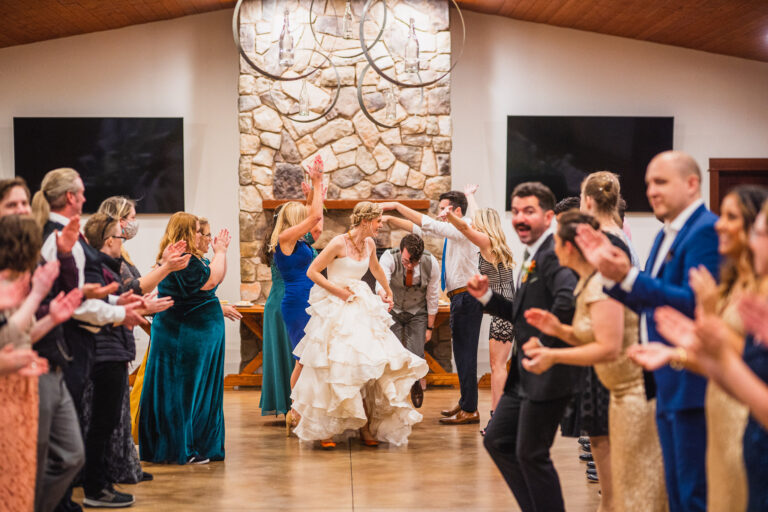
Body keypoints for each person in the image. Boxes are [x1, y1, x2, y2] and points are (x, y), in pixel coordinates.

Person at [575, 150, 720, 512]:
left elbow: (695, 303)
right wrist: (613, 279)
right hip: (662, 379)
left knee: (692, 493)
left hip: (691, 379)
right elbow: (649, 301)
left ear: (692, 184)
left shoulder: (705, 231)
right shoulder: (663, 235)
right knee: (674, 491)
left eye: (661, 182)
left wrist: (628, 277)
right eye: (649, 183)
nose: (652, 191)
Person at [630, 185, 768, 512]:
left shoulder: (761, 290)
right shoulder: (731, 283)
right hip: (720, 400)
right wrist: (676, 353)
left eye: (731, 217)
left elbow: (746, 358)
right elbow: (720, 355)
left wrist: (709, 329)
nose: (720, 225)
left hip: (743, 409)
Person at [523, 210, 668, 512]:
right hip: (618, 393)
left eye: (555, 242)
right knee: (620, 486)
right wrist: (558, 329)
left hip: (635, 395)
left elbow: (608, 348)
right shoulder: (587, 281)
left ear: (569, 247)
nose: (552, 249)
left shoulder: (600, 283)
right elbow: (591, 336)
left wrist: (552, 356)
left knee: (638, 487)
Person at [467, 182, 580, 512]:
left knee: (531, 453)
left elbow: (567, 301)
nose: (520, 218)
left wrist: (546, 345)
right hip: (523, 375)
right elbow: (521, 312)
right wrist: (486, 298)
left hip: (547, 373)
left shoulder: (555, 254)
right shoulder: (533, 255)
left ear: (548, 216)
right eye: (515, 211)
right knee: (498, 441)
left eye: (529, 211)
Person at [290, 202, 428, 447]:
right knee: (333, 365)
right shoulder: (338, 243)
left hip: (360, 304)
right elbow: (313, 272)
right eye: (377, 221)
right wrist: (338, 292)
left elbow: (375, 268)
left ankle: (365, 425)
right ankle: (324, 429)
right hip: (336, 306)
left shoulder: (370, 244)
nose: (380, 225)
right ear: (365, 221)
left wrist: (387, 291)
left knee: (366, 365)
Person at [80, 213, 175, 507]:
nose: (123, 242)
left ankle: (103, 481)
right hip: (104, 351)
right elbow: (95, 308)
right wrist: (136, 308)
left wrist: (139, 306)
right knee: (100, 424)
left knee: (107, 423)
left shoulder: (106, 267)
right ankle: (96, 488)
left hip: (114, 349)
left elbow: (119, 298)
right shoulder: (97, 269)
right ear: (109, 240)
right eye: (120, 237)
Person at [98, 196, 190, 455]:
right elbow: (132, 288)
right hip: (110, 334)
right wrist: (166, 267)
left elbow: (138, 287)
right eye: (132, 218)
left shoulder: (122, 252)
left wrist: (163, 265)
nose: (134, 223)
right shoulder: (107, 253)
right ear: (118, 220)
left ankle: (122, 459)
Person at [382, 191, 483, 425]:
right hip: (460, 297)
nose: (439, 214)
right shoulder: (454, 232)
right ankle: (466, 402)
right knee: (461, 354)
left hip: (467, 296)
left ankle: (470, 409)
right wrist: (390, 219)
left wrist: (396, 205)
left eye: (444, 209)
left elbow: (426, 223)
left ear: (457, 211)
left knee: (466, 355)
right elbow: (420, 229)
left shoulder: (464, 226)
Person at [139, 213, 231, 464]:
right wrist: (221, 252)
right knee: (181, 392)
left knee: (197, 392)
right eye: (198, 231)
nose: (202, 236)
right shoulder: (183, 260)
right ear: (187, 232)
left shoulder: (191, 259)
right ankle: (179, 447)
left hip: (196, 334)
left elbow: (214, 279)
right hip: (183, 335)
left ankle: (200, 442)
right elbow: (211, 280)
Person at [440, 185, 515, 434]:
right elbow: (474, 220)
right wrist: (470, 196)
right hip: (505, 310)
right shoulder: (496, 243)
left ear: (485, 226)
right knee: (498, 366)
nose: (475, 225)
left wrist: (450, 216)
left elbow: (465, 228)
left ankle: (498, 421)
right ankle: (499, 419)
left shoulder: (486, 242)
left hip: (504, 313)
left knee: (497, 367)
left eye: (479, 223)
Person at [272, 158, 324, 430]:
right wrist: (317, 181)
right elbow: (314, 218)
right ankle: (295, 410)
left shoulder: (300, 241)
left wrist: (314, 195)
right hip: (296, 303)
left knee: (310, 357)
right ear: (293, 220)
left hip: (310, 301)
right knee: (303, 359)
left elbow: (317, 224)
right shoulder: (285, 239)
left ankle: (304, 409)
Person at [374, 233, 439, 408]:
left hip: (417, 312)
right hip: (393, 310)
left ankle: (416, 383)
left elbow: (433, 296)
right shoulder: (389, 257)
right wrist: (383, 294)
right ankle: (393, 395)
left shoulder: (431, 263)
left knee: (416, 352)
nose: (409, 265)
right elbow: (381, 281)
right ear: (401, 249)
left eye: (414, 262)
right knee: (392, 354)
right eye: (406, 261)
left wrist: (430, 328)